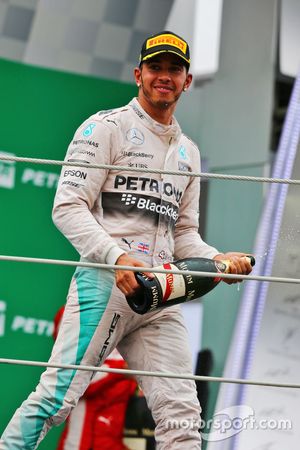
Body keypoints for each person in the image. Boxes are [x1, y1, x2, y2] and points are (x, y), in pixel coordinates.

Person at [0, 30, 253, 449]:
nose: (164, 76)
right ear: (139, 74)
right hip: (105, 284)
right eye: (156, 67)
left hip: (161, 295)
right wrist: (116, 257)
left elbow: (184, 235)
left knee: (182, 417)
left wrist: (217, 260)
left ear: (188, 81)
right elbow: (66, 206)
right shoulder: (106, 127)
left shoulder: (189, 152)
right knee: (56, 400)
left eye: (175, 69)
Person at [53, 307, 137, 450]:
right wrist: (121, 370)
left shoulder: (136, 312)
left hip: (111, 440)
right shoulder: (75, 310)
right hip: (79, 442)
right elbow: (74, 378)